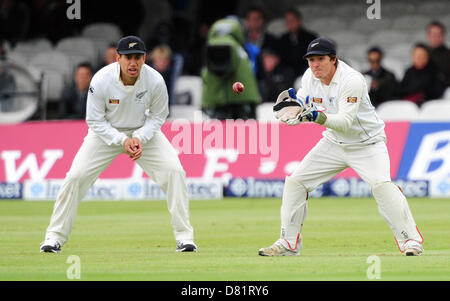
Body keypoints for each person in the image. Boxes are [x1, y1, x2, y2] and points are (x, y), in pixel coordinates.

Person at [260, 38, 424, 257]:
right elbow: (301, 101)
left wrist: (315, 116)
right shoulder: (310, 76)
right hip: (334, 142)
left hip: (368, 143)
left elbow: (345, 122)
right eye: (311, 60)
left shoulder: (352, 80)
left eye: (320, 59)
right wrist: (293, 110)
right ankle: (288, 243)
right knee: (296, 182)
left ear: (333, 60)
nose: (315, 65)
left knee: (381, 186)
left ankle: (410, 241)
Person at [40, 36, 197, 254]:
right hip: (105, 134)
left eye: (138, 58)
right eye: (128, 58)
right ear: (117, 58)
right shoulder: (101, 79)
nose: (133, 63)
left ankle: (184, 238)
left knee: (175, 172)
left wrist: (139, 137)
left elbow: (159, 116)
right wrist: (122, 140)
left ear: (144, 58)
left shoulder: (155, 80)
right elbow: (94, 120)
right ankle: (54, 237)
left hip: (143, 133)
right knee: (75, 177)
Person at [201, 17, 261, 119]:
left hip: (217, 100)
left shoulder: (211, 45)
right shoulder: (239, 49)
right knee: (244, 133)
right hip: (242, 99)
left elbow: (216, 71)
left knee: (219, 133)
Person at [278, 8, 317, 77]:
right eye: (287, 21)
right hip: (288, 74)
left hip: (306, 71)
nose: (290, 23)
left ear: (299, 21)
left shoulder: (310, 37)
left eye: (292, 20)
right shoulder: (282, 39)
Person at [243, 5, 278, 76]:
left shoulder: (272, 40)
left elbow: (275, 58)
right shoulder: (242, 39)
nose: (255, 21)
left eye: (258, 18)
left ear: (262, 21)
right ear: (247, 21)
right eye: (252, 18)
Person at [426, 21, 450, 87]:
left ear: (443, 36)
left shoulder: (448, 55)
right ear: (428, 36)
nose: (436, 38)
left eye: (438, 35)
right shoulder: (423, 54)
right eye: (433, 34)